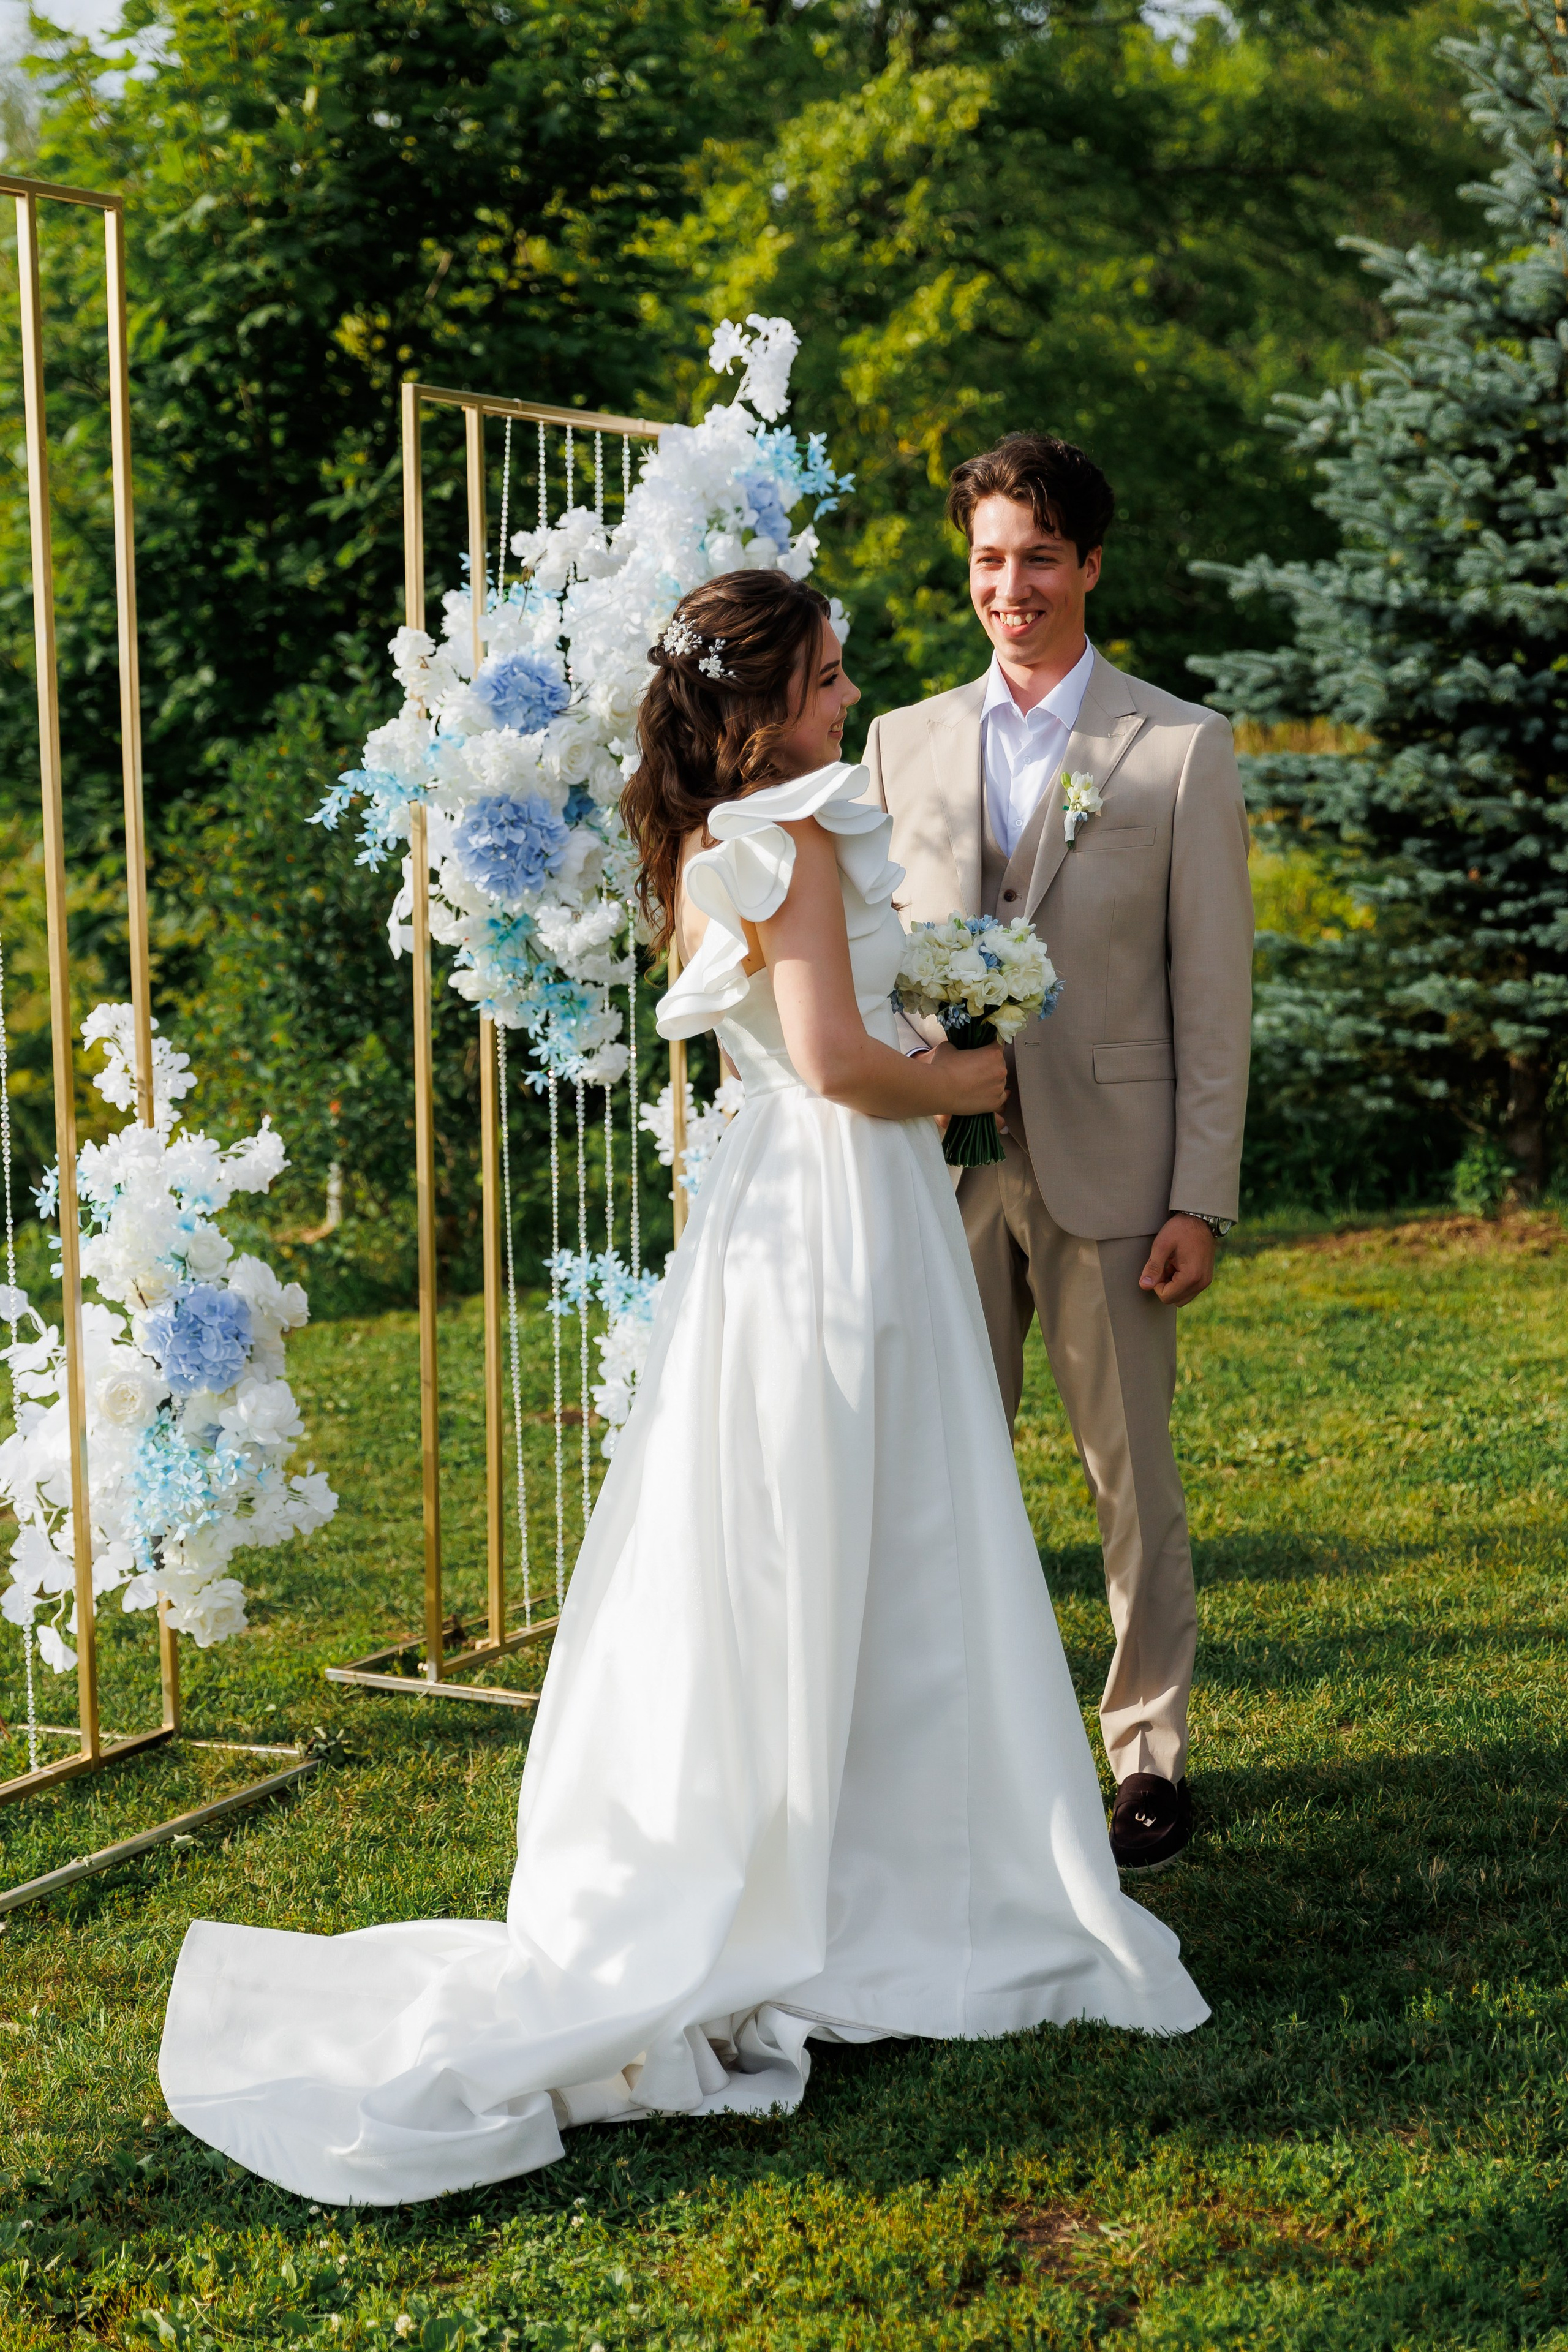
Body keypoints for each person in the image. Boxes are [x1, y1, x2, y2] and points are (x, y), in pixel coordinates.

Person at [157, 567, 1207, 2209]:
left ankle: (864, 1834)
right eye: (835, 676)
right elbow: (844, 1059)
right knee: (866, 1506)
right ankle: (869, 1875)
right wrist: (966, 1072)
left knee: (827, 1516)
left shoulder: (744, 832)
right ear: (774, 695)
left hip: (792, 1203)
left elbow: (811, 1036)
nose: (853, 696)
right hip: (840, 1200)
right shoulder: (790, 833)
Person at [864, 435, 1254, 1874]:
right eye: (986, 559)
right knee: (929, 1463)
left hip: (1115, 1169)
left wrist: (1197, 1195)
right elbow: (866, 957)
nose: (1008, 586)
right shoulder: (897, 740)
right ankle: (937, 1744)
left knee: (1127, 1477)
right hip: (935, 1165)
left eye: (1036, 557)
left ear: (1087, 564)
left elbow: (1213, 995)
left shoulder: (1176, 746)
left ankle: (1147, 1752)